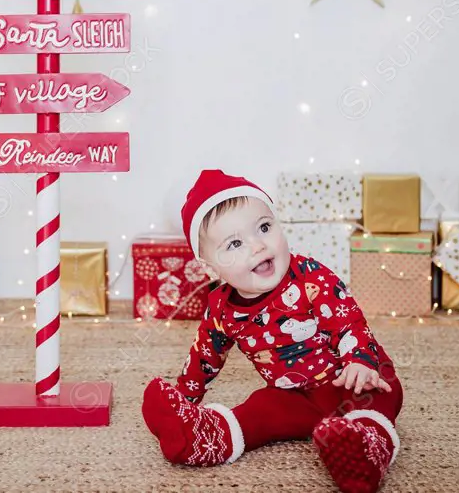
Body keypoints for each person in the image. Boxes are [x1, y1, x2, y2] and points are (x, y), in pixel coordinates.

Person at [141, 170, 404, 493]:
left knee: (378, 398)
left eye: (264, 227)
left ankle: (366, 447)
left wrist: (360, 360)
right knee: (260, 409)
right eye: (235, 243)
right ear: (210, 267)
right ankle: (207, 434)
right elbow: (204, 359)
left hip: (349, 378)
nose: (257, 246)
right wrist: (186, 399)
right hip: (293, 396)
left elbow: (347, 320)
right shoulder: (221, 309)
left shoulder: (311, 277)